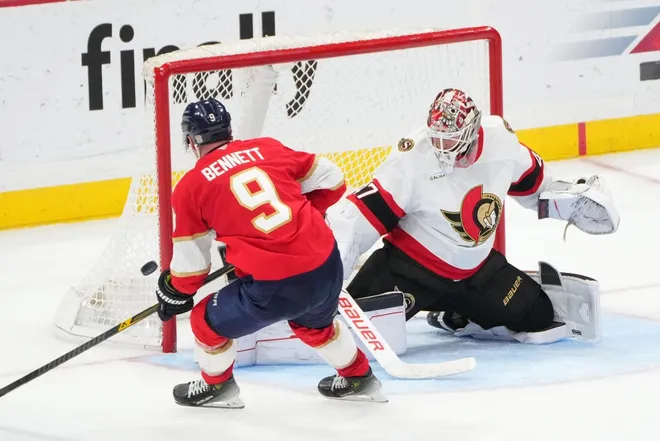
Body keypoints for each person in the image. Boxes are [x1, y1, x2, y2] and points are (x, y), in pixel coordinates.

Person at [326, 88, 619, 345]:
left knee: (538, 314)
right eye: (437, 139)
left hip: (476, 272)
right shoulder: (413, 158)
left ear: (471, 131)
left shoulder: (500, 142)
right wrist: (326, 272)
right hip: (410, 271)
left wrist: (570, 200)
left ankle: (456, 315)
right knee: (346, 333)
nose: (442, 149)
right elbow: (361, 216)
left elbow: (536, 187)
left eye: (450, 140)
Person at [154, 98, 384, 409]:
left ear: (191, 140)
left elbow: (191, 270)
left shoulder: (191, 187)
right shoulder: (267, 148)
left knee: (203, 321)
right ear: (229, 129)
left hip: (281, 285)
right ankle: (359, 378)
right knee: (312, 325)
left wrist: (172, 290)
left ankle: (217, 388)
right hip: (327, 262)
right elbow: (334, 180)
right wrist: (303, 217)